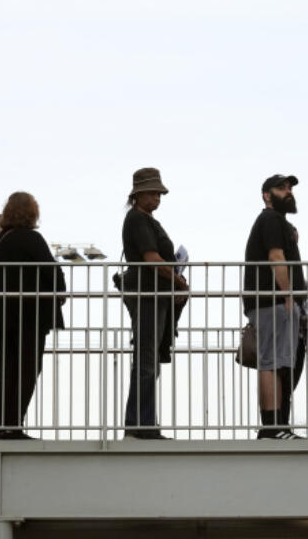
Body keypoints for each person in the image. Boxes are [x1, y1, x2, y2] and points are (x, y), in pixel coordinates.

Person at [243, 174, 308, 439]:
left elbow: (284, 264)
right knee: (272, 363)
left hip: (280, 301)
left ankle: (280, 426)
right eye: (281, 188)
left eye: (290, 187)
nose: (288, 191)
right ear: (266, 195)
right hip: (273, 302)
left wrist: (305, 293)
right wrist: (289, 297)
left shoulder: (280, 223)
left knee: (282, 364)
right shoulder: (270, 219)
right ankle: (272, 428)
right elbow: (275, 257)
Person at [0, 192, 66, 440]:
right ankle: (12, 426)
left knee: (5, 375)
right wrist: (58, 292)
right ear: (32, 213)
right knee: (27, 372)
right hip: (28, 319)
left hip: (2, 321)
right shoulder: (31, 239)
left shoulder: (0, 243)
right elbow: (53, 274)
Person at [120, 168, 187, 440]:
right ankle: (141, 424)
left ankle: (142, 421)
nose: (157, 197)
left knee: (150, 360)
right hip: (147, 295)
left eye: (159, 193)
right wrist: (177, 278)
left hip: (155, 295)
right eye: (152, 192)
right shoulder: (137, 219)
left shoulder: (146, 219)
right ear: (138, 194)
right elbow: (151, 258)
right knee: (146, 361)